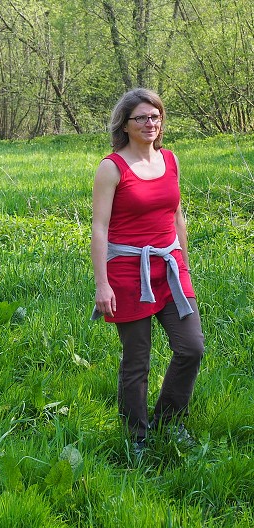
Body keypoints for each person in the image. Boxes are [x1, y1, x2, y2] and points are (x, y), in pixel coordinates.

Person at [90, 88, 204, 455]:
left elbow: (176, 215)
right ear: (125, 124)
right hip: (127, 273)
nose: (150, 123)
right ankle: (136, 435)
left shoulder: (170, 160)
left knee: (191, 348)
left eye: (155, 116)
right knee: (137, 360)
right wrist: (102, 284)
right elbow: (99, 229)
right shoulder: (112, 167)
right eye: (142, 117)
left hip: (170, 269)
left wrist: (184, 265)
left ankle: (169, 421)